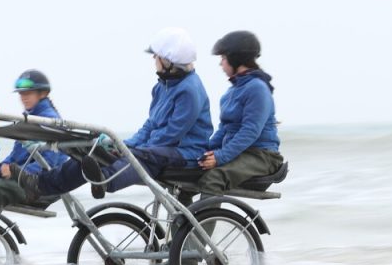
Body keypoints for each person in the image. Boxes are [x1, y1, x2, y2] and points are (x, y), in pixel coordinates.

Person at [16, 28, 213, 201]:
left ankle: (105, 180)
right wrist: (122, 144)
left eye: (156, 56)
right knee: (94, 152)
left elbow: (172, 134)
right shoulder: (161, 87)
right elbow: (150, 125)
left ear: (168, 60)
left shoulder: (190, 90)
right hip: (159, 149)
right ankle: (40, 185)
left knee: (142, 156)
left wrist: (135, 149)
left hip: (185, 153)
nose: (154, 60)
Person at [197, 30, 282, 194]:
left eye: (223, 58)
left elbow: (250, 131)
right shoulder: (230, 93)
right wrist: (203, 151)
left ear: (235, 58)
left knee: (214, 179)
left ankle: (205, 221)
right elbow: (224, 130)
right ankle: (185, 220)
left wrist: (220, 157)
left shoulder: (257, 88)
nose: (220, 64)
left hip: (262, 156)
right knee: (189, 173)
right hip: (242, 152)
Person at [0, 69, 69, 210]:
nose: (23, 97)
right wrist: (1, 167)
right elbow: (15, 155)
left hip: (42, 185)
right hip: (24, 179)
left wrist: (15, 171)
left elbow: (48, 164)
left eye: (28, 93)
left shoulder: (50, 120)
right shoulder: (28, 119)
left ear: (43, 93)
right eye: (21, 93)